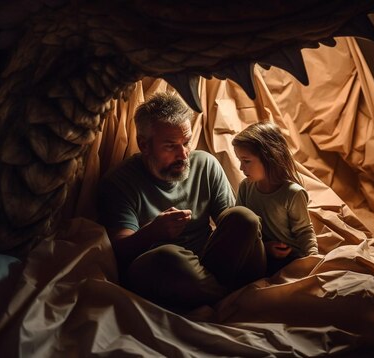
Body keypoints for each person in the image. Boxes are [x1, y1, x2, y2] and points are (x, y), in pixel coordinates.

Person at [98, 92, 266, 311]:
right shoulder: (119, 182)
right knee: (169, 256)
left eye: (186, 142)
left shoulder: (205, 165)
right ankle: (230, 296)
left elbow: (232, 227)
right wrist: (153, 232)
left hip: (208, 265)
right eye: (171, 146)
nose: (184, 154)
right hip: (160, 271)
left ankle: (211, 293)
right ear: (144, 144)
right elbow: (118, 252)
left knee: (246, 218)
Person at [232, 121, 318, 275]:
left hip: (289, 258)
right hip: (257, 255)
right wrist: (264, 247)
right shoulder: (245, 187)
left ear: (269, 158)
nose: (241, 167)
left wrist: (313, 259)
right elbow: (240, 229)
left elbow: (304, 231)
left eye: (246, 161)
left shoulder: (293, 193)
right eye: (240, 161)